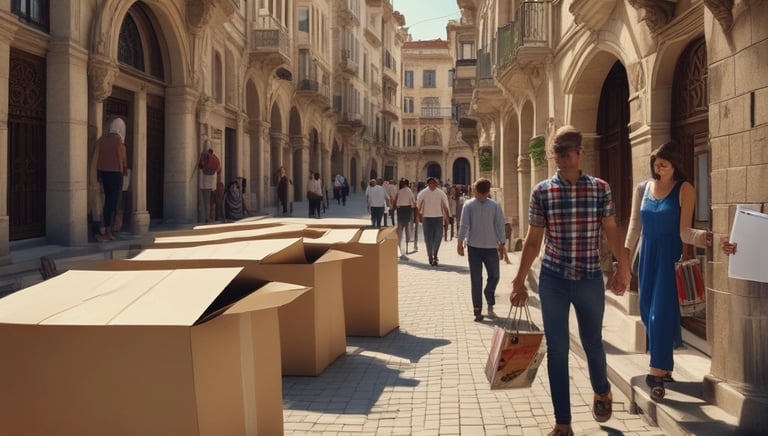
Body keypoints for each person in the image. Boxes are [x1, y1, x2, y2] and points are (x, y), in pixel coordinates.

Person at [509, 126, 630, 436]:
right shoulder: (542, 191)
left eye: (566, 154)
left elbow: (612, 231)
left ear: (580, 153)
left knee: (592, 343)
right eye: (557, 155)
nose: (561, 160)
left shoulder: (600, 188)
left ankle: (602, 390)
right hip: (553, 279)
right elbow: (534, 241)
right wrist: (519, 281)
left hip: (590, 277)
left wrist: (623, 268)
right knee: (558, 349)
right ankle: (563, 423)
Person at [623, 141, 712, 402]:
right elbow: (634, 225)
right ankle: (666, 366)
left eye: (664, 163)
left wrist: (706, 238)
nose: (658, 167)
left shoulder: (685, 189)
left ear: (675, 164)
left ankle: (656, 375)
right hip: (647, 254)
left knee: (660, 314)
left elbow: (685, 231)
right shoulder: (643, 188)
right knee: (648, 310)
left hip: (669, 255)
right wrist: (626, 257)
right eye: (655, 163)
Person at [457, 178, 506, 322]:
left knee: (495, 276)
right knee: (476, 279)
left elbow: (500, 226)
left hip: (491, 247)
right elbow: (464, 224)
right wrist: (460, 243)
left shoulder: (495, 206)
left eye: (474, 189)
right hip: (474, 248)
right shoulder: (469, 205)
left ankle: (489, 293)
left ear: (479, 191)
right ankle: (477, 309)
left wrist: (502, 244)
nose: (473, 192)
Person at [96, 117, 128, 241]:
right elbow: (122, 157)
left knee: (107, 200)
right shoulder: (118, 140)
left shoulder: (102, 139)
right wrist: (124, 169)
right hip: (115, 173)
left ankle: (104, 227)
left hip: (103, 173)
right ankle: (108, 229)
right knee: (113, 202)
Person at [416, 177, 450, 266]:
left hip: (438, 217)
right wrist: (418, 216)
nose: (432, 185)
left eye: (433, 183)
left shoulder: (441, 193)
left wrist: (447, 218)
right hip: (427, 218)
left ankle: (435, 254)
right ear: (428, 184)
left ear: (436, 184)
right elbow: (418, 205)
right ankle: (430, 256)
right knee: (428, 239)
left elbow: (446, 206)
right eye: (430, 183)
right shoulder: (423, 193)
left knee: (438, 238)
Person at [392, 178, 416, 259]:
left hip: (400, 211)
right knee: (407, 229)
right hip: (407, 210)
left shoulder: (399, 191)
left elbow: (395, 202)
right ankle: (407, 246)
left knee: (400, 229)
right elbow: (413, 202)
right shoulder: (409, 191)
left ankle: (398, 246)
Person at [198, 144, 221, 223]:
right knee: (214, 201)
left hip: (205, 183)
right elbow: (219, 169)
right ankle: (215, 217)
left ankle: (206, 218)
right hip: (213, 184)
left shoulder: (204, 157)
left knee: (206, 201)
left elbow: (201, 165)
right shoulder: (216, 158)